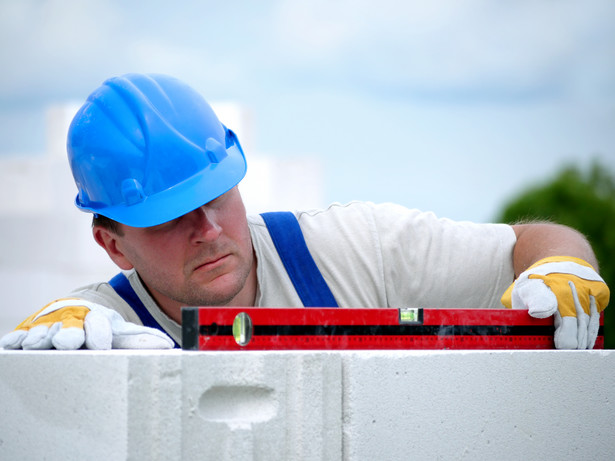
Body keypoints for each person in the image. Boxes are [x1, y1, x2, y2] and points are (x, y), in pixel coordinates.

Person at [0, 73, 609, 351]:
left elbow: (532, 243)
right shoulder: (97, 329)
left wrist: (562, 266)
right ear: (113, 245)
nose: (208, 231)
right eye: (169, 218)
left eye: (216, 197)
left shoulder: (351, 247)